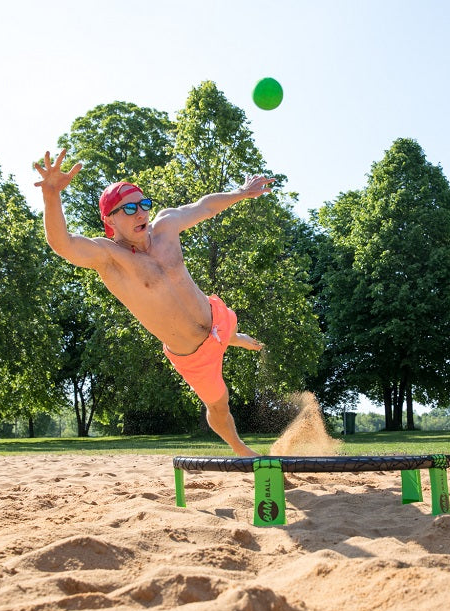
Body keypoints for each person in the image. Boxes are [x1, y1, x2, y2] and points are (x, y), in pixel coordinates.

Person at [34, 149, 273, 457]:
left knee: (229, 326)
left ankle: (231, 337)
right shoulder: (110, 258)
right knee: (219, 403)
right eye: (129, 208)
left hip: (216, 318)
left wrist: (242, 192)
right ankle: (241, 449)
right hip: (194, 355)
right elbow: (62, 243)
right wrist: (51, 195)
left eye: (143, 205)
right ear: (109, 221)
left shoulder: (166, 226)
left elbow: (205, 206)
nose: (141, 213)